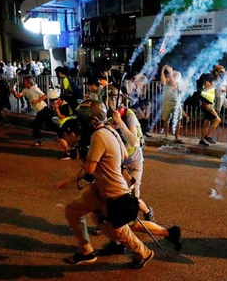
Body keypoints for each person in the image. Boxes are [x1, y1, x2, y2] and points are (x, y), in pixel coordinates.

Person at [58, 100, 155, 268]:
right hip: (100, 186)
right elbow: (124, 154)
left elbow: (89, 168)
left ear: (93, 120)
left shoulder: (99, 135)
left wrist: (78, 155)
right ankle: (85, 250)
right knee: (73, 211)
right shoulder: (110, 130)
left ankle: (144, 253)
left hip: (112, 190)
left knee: (118, 231)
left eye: (83, 120)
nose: (80, 124)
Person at [11, 75, 54, 147]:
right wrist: (14, 92)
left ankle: (38, 140)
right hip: (40, 110)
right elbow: (18, 96)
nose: (23, 83)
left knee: (35, 124)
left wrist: (36, 101)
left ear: (29, 82)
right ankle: (62, 133)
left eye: (24, 81)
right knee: (49, 124)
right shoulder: (25, 90)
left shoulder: (35, 89)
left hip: (43, 109)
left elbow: (44, 96)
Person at [160, 64, 183, 143]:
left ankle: (176, 136)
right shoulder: (165, 74)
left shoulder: (177, 74)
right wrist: (162, 71)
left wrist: (170, 73)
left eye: (168, 68)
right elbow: (163, 82)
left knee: (177, 118)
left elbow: (174, 84)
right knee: (166, 118)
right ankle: (166, 135)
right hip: (166, 99)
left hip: (175, 99)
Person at [198, 73, 221, 146]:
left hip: (207, 103)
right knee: (218, 120)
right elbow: (207, 87)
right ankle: (208, 136)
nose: (219, 75)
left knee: (206, 124)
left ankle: (202, 140)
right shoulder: (209, 78)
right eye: (219, 73)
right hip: (206, 104)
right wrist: (215, 84)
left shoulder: (211, 80)